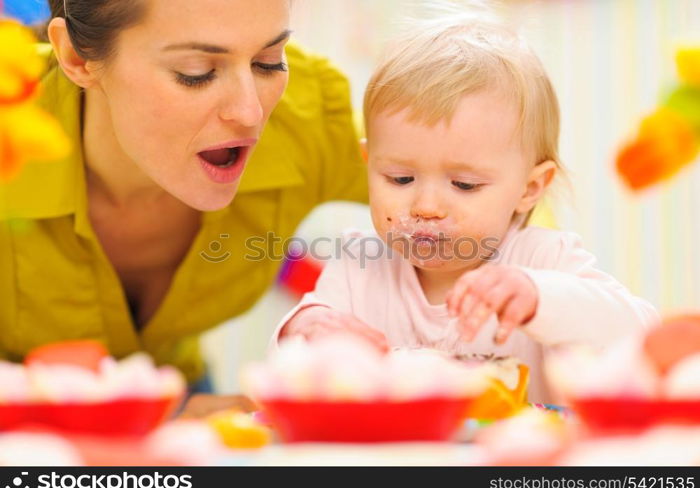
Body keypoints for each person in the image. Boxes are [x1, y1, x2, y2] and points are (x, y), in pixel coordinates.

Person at [274, 5, 659, 403]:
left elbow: (638, 336)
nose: (426, 206)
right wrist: (306, 326)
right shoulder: (359, 266)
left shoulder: (544, 260)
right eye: (400, 179)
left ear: (530, 187)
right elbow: (292, 372)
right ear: (369, 164)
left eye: (464, 184)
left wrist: (540, 298)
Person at [0, 0, 367, 395]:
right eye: (197, 73)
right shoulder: (13, 120)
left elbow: (436, 175)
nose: (250, 112)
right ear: (76, 56)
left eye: (268, 62)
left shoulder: (306, 119)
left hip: (180, 392)